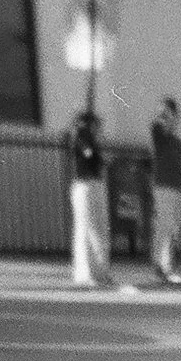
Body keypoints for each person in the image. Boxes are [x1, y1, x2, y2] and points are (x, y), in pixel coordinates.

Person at [149, 96, 181, 285]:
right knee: (165, 225)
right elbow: (160, 125)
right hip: (164, 187)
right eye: (166, 113)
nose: (166, 117)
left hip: (177, 187)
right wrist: (166, 115)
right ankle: (161, 266)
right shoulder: (159, 134)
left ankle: (167, 266)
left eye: (170, 113)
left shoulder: (175, 141)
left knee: (173, 228)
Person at [68, 107, 111, 289]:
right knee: (86, 230)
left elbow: (99, 161)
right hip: (84, 186)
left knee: (100, 230)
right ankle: (86, 274)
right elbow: (87, 154)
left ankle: (101, 272)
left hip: (96, 185)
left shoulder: (92, 141)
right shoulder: (80, 138)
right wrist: (87, 136)